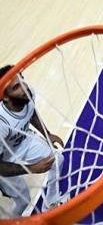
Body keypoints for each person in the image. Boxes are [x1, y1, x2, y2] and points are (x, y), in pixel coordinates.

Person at [0, 65, 64, 216]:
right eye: (16, 87)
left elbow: (31, 112)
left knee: (57, 160)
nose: (24, 87)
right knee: (23, 200)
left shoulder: (28, 94)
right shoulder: (2, 123)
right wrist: (31, 168)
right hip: (4, 159)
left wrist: (47, 134)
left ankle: (51, 202)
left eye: (22, 79)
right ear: (5, 97)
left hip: (23, 141)